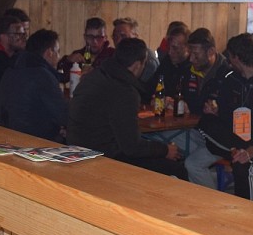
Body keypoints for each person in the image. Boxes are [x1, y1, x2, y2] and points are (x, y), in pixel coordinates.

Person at [66, 38, 188, 179]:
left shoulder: (94, 76)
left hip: (76, 147)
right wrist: (165, 150)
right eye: (144, 63)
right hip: (102, 157)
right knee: (177, 169)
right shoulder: (125, 91)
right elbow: (132, 147)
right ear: (137, 65)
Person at [197, 33, 253, 200]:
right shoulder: (231, 77)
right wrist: (215, 110)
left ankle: (247, 210)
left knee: (243, 166)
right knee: (205, 123)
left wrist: (251, 150)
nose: (229, 62)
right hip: (238, 136)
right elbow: (225, 112)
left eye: (230, 57)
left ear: (236, 58)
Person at [182, 28, 232, 188]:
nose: (191, 58)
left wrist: (218, 111)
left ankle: (212, 199)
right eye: (190, 53)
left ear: (211, 52)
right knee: (162, 139)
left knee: (192, 163)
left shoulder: (227, 76)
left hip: (222, 138)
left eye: (196, 54)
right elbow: (187, 99)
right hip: (199, 130)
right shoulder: (191, 70)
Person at [0, 29, 67, 142]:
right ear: (49, 52)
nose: (59, 57)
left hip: (8, 137)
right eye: (58, 51)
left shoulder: (11, 70)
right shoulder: (42, 76)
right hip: (35, 142)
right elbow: (63, 115)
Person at [57, 17, 115, 82]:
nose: (95, 41)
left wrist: (95, 73)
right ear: (85, 37)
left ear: (105, 38)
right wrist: (67, 60)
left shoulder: (113, 56)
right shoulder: (78, 55)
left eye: (99, 37)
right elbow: (61, 78)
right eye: (90, 37)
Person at [145, 23, 191, 103]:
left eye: (175, 48)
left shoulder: (195, 67)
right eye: (169, 47)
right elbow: (151, 87)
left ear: (187, 48)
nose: (170, 52)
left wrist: (174, 102)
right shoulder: (167, 62)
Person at [112, 17, 159, 82]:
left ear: (135, 36)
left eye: (123, 36)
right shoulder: (115, 56)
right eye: (115, 36)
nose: (118, 41)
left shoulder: (148, 60)